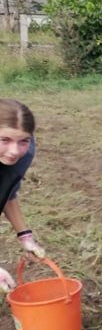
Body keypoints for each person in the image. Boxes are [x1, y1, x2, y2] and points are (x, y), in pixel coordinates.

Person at [0, 100, 46, 262]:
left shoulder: (22, 155)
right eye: (4, 140)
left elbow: (7, 192)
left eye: (23, 141)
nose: (14, 151)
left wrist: (25, 236)